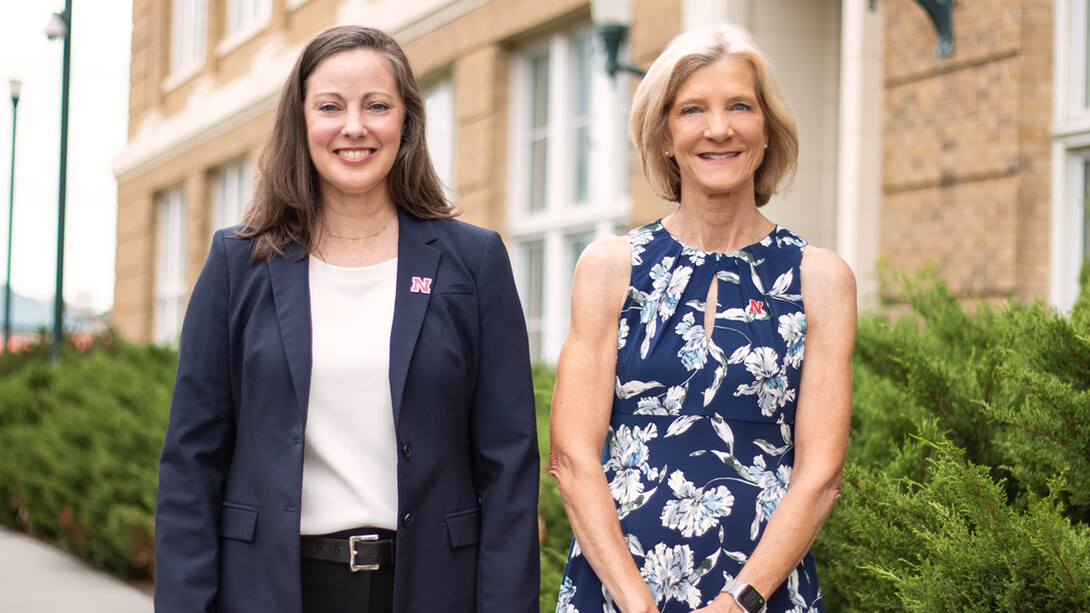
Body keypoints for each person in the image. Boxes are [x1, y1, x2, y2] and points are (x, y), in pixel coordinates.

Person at [154, 25, 540, 613]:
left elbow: (509, 466)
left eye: (377, 106)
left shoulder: (474, 261)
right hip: (273, 588)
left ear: (406, 121)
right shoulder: (239, 263)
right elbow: (191, 463)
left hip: (431, 588)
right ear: (301, 121)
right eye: (330, 106)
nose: (354, 127)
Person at [550, 22, 856, 613]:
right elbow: (572, 458)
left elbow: (820, 475)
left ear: (766, 131)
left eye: (740, 106)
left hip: (763, 595)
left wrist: (739, 602)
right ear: (665, 135)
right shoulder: (610, 268)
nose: (718, 128)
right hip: (616, 588)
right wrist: (635, 603)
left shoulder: (821, 280)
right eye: (692, 109)